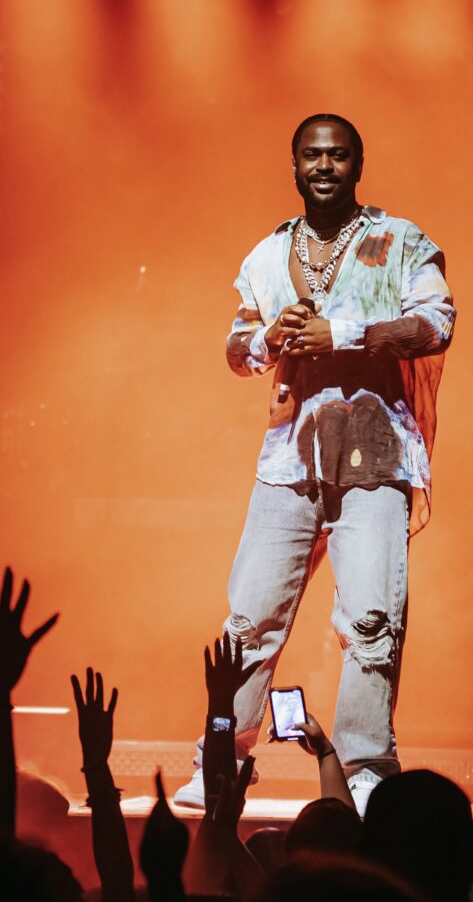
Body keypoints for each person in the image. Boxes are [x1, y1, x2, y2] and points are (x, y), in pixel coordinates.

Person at [174, 113, 455, 814]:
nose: (324, 166)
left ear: (358, 165)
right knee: (249, 617)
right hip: (289, 460)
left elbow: (435, 323)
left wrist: (346, 331)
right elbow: (237, 350)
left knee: (369, 619)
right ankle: (223, 758)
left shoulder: (401, 242)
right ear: (295, 166)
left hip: (375, 456)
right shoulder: (267, 258)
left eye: (337, 155)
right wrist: (265, 339)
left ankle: (364, 767)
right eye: (311, 155)